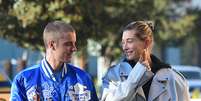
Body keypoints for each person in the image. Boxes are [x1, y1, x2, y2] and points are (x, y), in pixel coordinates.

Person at [101, 21, 190, 101]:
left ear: (147, 42)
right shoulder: (113, 75)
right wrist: (138, 72)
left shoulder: (173, 78)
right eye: (123, 42)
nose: (125, 47)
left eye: (129, 41)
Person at [10, 21, 98, 101]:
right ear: (52, 45)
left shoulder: (83, 78)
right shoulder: (23, 80)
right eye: (68, 44)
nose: (74, 49)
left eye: (74, 43)